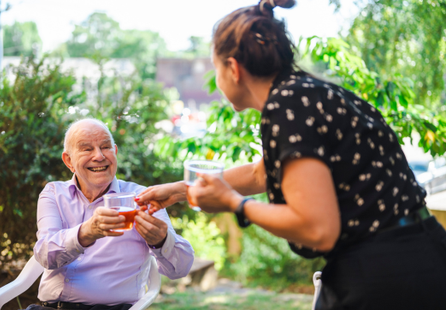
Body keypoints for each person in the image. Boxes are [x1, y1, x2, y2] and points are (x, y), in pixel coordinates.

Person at [136, 1, 446, 309]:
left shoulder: (286, 105)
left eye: (216, 68)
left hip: (388, 275)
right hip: (418, 256)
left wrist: (234, 203)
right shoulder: (306, 93)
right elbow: (263, 173)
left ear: (233, 68)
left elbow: (318, 230)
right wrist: (181, 191)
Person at [26, 118, 194, 310]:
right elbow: (45, 255)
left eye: (105, 147)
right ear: (69, 161)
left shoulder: (142, 198)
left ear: (115, 152)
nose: (99, 156)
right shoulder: (54, 194)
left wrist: (162, 240)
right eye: (86, 149)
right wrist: (86, 232)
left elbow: (180, 269)